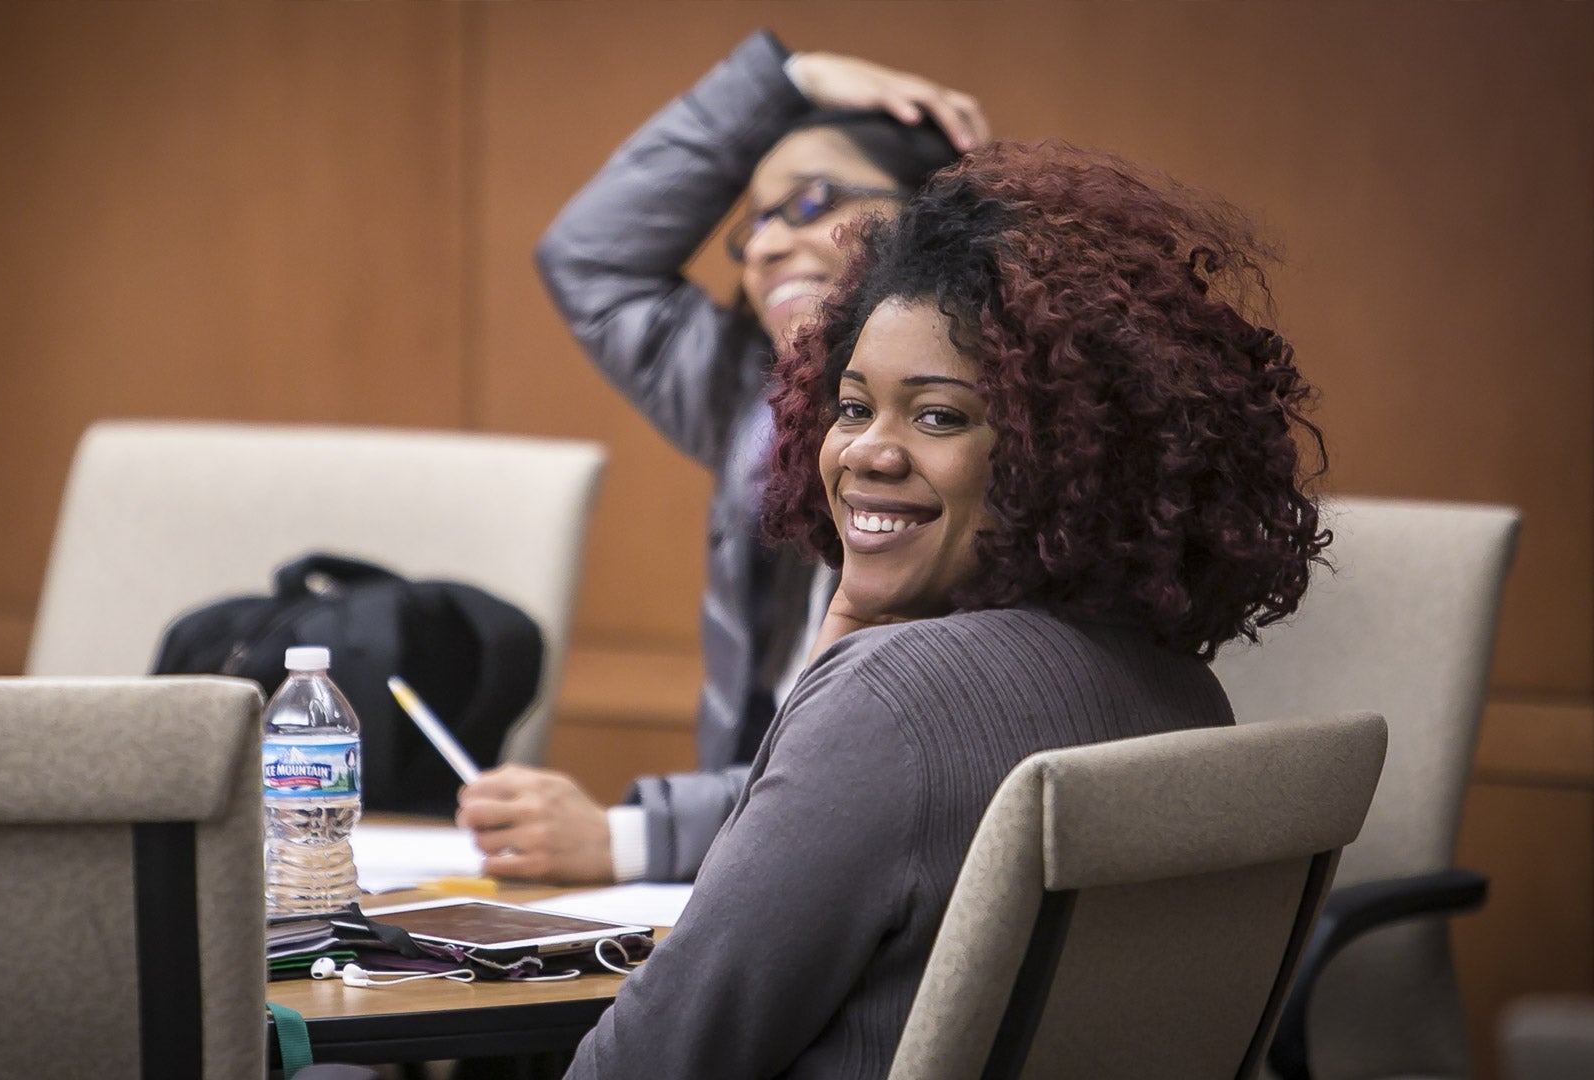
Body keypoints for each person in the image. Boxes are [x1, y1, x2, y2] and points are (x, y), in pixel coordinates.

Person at [562, 138, 1331, 1079]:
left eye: (939, 417)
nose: (867, 455)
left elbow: (647, 1062)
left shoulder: (889, 708)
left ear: (1069, 452)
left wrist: (846, 667)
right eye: (852, 407)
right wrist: (841, 639)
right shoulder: (1183, 694)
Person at [456, 30, 986, 885]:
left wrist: (631, 839)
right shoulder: (757, 407)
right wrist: (780, 80)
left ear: (933, 225)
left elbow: (886, 777)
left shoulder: (983, 450)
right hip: (750, 874)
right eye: (754, 227)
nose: (768, 246)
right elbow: (591, 259)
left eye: (811, 202)